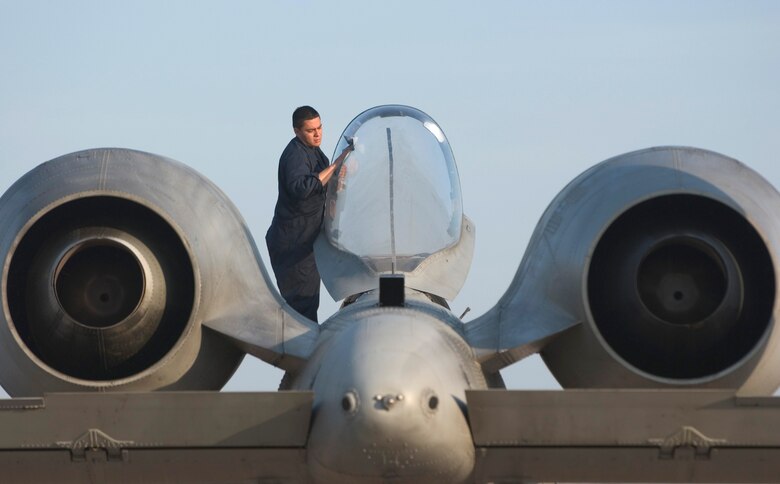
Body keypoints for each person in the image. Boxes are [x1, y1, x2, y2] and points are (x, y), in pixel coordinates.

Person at [265, 106, 351, 322]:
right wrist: (337, 164)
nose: (317, 133)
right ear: (296, 131)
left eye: (320, 127)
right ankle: (299, 354)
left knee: (309, 304)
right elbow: (303, 188)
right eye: (310, 130)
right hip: (292, 246)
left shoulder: (315, 152)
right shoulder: (294, 155)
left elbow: (328, 187)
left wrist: (343, 173)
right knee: (301, 310)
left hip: (308, 242)